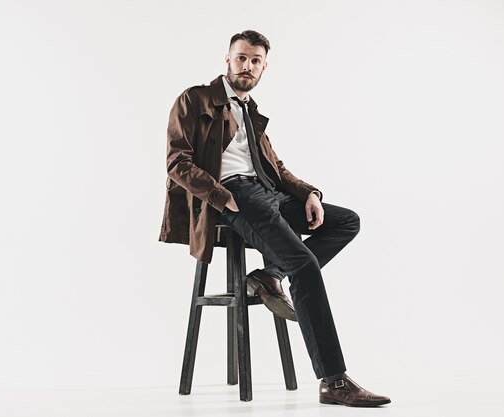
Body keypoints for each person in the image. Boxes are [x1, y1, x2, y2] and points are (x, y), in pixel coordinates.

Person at [159, 29, 390, 407]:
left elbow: (276, 168)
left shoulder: (250, 112)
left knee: (346, 221)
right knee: (304, 264)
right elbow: (177, 163)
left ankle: (269, 275)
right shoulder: (195, 99)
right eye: (241, 58)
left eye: (255, 61)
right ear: (227, 59)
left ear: (264, 67)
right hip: (234, 195)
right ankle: (334, 381)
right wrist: (222, 197)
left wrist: (310, 193)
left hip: (268, 193)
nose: (246, 66)